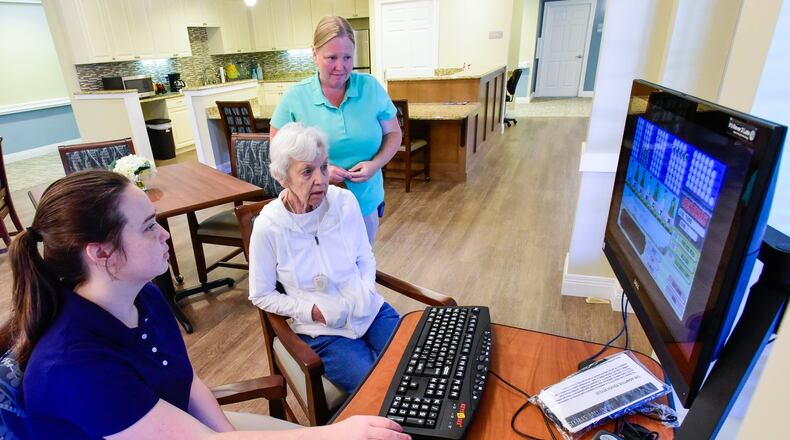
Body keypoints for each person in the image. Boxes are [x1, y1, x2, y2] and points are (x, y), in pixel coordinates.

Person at [3, 170, 409, 440]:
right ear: (101, 253)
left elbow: (185, 380)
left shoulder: (141, 293)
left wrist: (225, 433)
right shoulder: (75, 367)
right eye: (148, 226)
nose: (165, 234)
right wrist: (335, 433)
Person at [249, 123, 400, 395]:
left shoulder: (344, 202)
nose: (321, 179)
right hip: (324, 333)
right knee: (378, 390)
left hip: (370, 310)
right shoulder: (269, 226)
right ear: (282, 177)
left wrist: (366, 290)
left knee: (422, 362)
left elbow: (364, 255)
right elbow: (261, 295)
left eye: (323, 167)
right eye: (307, 171)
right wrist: (309, 311)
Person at [270, 15, 402, 245]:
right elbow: (278, 154)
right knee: (320, 273)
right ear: (314, 54)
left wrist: (375, 164)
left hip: (365, 202)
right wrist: (320, 172)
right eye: (331, 57)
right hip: (313, 206)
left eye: (347, 57)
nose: (341, 67)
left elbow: (393, 133)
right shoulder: (295, 97)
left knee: (360, 265)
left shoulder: (370, 87)